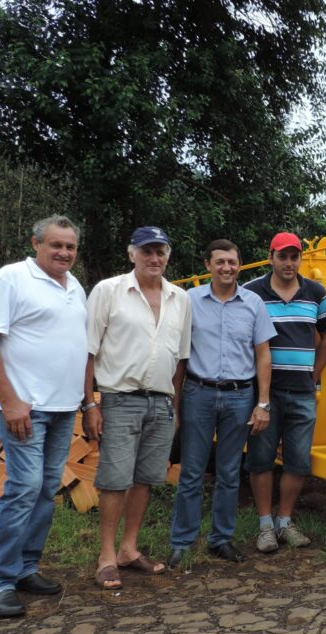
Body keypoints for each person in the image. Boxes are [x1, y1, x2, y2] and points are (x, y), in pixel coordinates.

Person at [0, 216, 87, 617]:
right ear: (36, 243)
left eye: (70, 247)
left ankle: (26, 567)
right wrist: (9, 401)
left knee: (45, 489)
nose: (64, 253)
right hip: (26, 408)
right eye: (56, 245)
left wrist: (83, 402)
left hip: (63, 408)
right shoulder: (11, 279)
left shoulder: (74, 286)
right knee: (23, 488)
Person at [83, 226, 192, 589]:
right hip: (120, 399)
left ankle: (128, 549)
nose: (154, 258)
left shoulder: (180, 299)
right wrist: (90, 404)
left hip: (161, 402)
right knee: (114, 480)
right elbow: (88, 351)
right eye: (146, 251)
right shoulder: (109, 291)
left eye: (160, 251)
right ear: (132, 254)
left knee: (146, 479)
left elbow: (181, 361)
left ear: (168, 256)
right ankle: (106, 557)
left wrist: (175, 408)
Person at [166, 240, 276, 567]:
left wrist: (263, 403)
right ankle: (181, 542)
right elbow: (180, 355)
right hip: (198, 393)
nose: (226, 268)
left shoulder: (254, 303)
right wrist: (175, 403)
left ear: (239, 265)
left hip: (240, 396)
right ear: (208, 265)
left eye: (232, 262)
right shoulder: (190, 300)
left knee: (229, 472)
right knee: (192, 471)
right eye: (220, 262)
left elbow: (263, 354)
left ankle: (221, 539)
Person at [244, 232, 326, 552]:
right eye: (282, 256)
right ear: (270, 257)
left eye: (294, 257)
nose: (288, 263)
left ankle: (285, 522)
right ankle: (265, 525)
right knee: (261, 459)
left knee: (297, 461)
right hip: (264, 394)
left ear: (300, 259)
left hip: (301, 392)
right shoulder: (252, 292)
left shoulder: (316, 292)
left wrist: (313, 376)